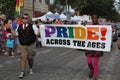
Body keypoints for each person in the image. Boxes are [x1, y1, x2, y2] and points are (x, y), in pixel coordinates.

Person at [10, 13, 39, 78]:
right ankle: (22, 72)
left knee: (30, 58)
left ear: (29, 19)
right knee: (23, 58)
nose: (24, 19)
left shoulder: (33, 26)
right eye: (23, 18)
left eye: (26, 18)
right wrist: (11, 30)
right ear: (21, 19)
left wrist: (39, 28)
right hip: (22, 44)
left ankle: (31, 68)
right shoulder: (19, 26)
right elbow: (16, 35)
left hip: (31, 44)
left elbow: (37, 34)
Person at [85, 15, 103, 80]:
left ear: (98, 18)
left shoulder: (101, 26)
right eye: (93, 18)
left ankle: (95, 76)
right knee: (89, 62)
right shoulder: (89, 26)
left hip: (97, 47)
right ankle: (92, 70)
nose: (94, 19)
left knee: (95, 62)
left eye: (95, 18)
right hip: (90, 46)